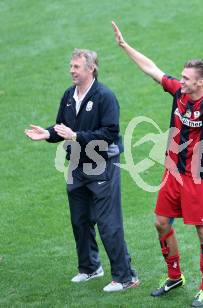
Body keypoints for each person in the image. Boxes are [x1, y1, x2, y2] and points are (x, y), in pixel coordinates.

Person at [112, 21, 203, 307]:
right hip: (172, 173)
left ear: (201, 82)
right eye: (183, 77)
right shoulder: (179, 92)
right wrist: (125, 46)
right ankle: (175, 276)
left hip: (198, 178)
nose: (182, 79)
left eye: (187, 78)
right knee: (161, 222)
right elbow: (152, 69)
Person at [24, 49, 139, 292]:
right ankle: (89, 268)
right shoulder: (69, 95)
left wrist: (76, 136)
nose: (71, 70)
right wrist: (47, 133)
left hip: (102, 166)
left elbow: (110, 133)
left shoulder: (104, 96)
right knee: (80, 220)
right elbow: (61, 127)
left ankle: (125, 276)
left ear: (91, 69)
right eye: (71, 66)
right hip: (76, 165)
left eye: (76, 67)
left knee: (108, 223)